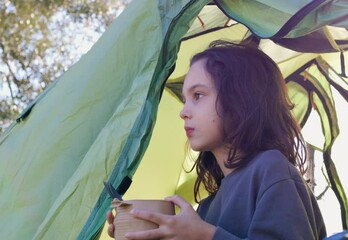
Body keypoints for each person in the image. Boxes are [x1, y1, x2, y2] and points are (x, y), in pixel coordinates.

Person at [107, 40, 327, 239]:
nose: (183, 112)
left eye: (198, 96)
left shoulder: (271, 170)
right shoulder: (207, 206)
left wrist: (205, 235)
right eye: (184, 100)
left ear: (241, 99)